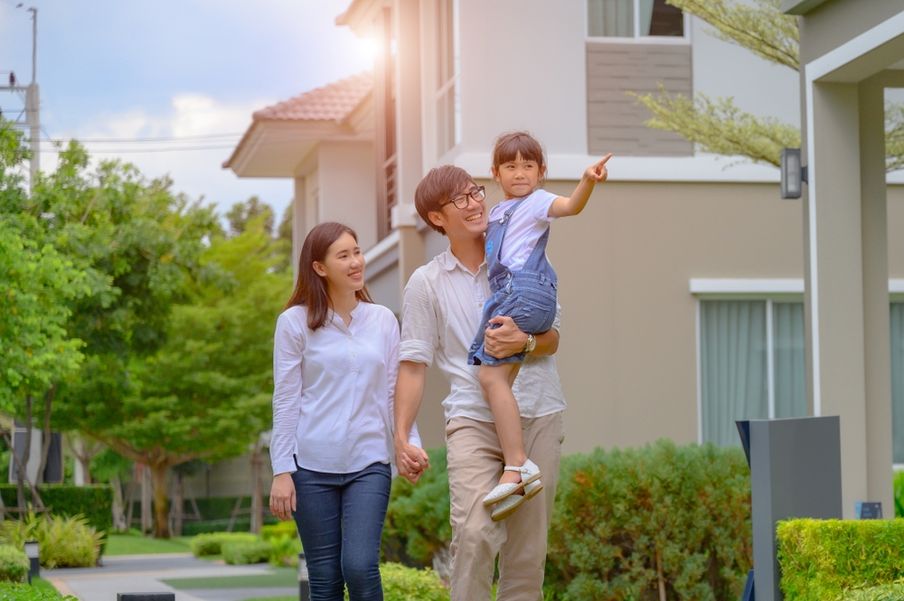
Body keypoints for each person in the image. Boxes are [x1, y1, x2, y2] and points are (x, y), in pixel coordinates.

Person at [393, 164, 570, 600]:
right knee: (474, 537)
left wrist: (524, 341)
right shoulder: (426, 282)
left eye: (475, 193)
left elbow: (553, 340)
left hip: (539, 411)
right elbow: (414, 365)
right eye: (460, 199)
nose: (474, 203)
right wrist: (401, 436)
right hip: (472, 419)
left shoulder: (525, 254)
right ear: (437, 218)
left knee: (528, 555)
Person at [268, 221, 420, 601]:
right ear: (319, 267)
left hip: (369, 462)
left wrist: (406, 445)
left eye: (357, 251)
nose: (356, 262)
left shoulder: (382, 319)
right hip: (311, 467)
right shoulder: (294, 323)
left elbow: (392, 391)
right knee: (325, 580)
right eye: (344, 255)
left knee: (359, 564)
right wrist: (282, 470)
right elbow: (286, 398)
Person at [469, 131, 611, 519]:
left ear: (541, 171)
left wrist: (586, 182)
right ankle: (516, 469)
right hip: (511, 294)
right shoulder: (497, 212)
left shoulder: (537, 202)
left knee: (491, 379)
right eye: (511, 166)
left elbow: (570, 207)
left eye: (528, 166)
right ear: (495, 173)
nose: (520, 173)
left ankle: (516, 466)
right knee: (498, 380)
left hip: (524, 293)